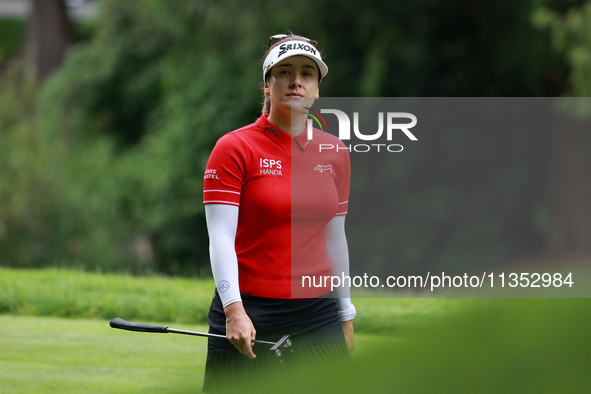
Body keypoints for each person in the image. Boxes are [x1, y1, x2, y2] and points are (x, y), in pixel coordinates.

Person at [202, 33, 356, 392]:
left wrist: (345, 313)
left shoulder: (335, 152)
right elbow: (220, 236)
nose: (296, 81)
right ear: (267, 85)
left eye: (307, 73)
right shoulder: (234, 147)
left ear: (318, 88)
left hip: (318, 313)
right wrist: (234, 311)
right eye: (284, 72)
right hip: (251, 308)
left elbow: (335, 237)